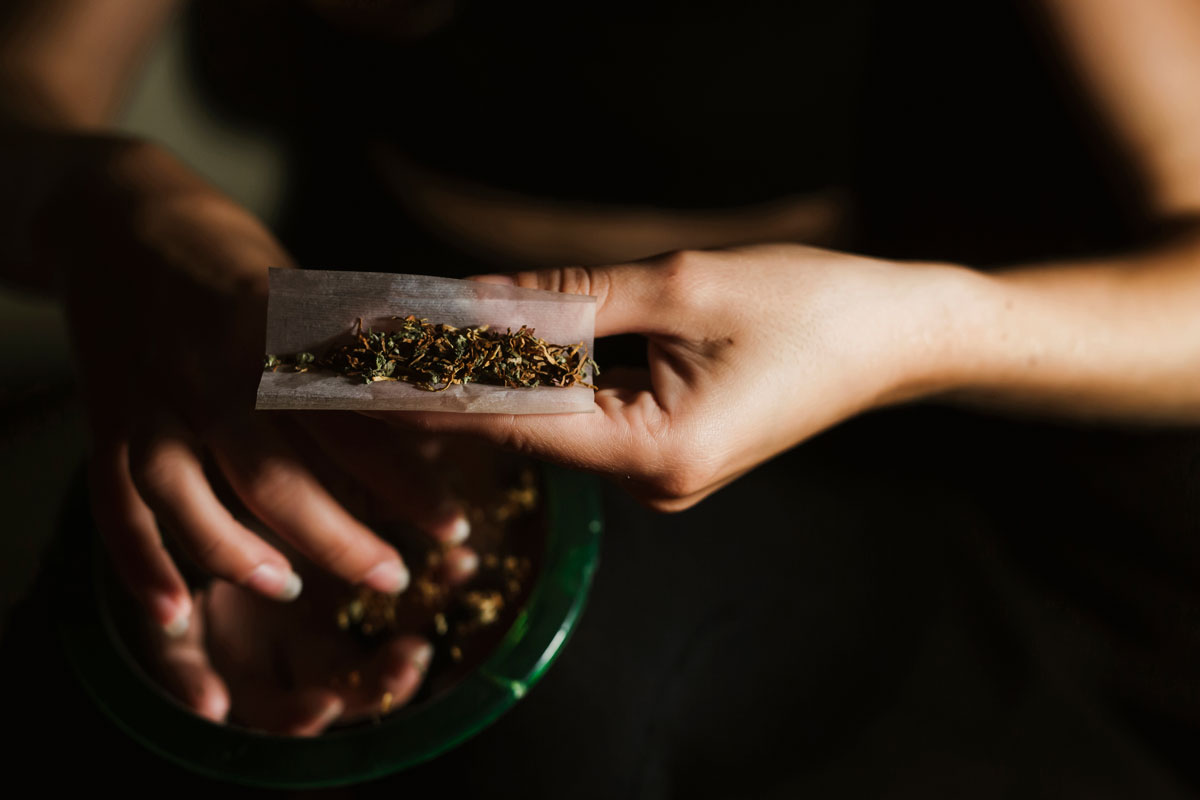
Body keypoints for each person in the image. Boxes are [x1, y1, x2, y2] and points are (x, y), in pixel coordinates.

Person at [3, 0, 1200, 794]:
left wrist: (911, 328)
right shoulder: (356, 330)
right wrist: (128, 213)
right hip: (359, 324)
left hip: (865, 400)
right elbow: (32, 84)